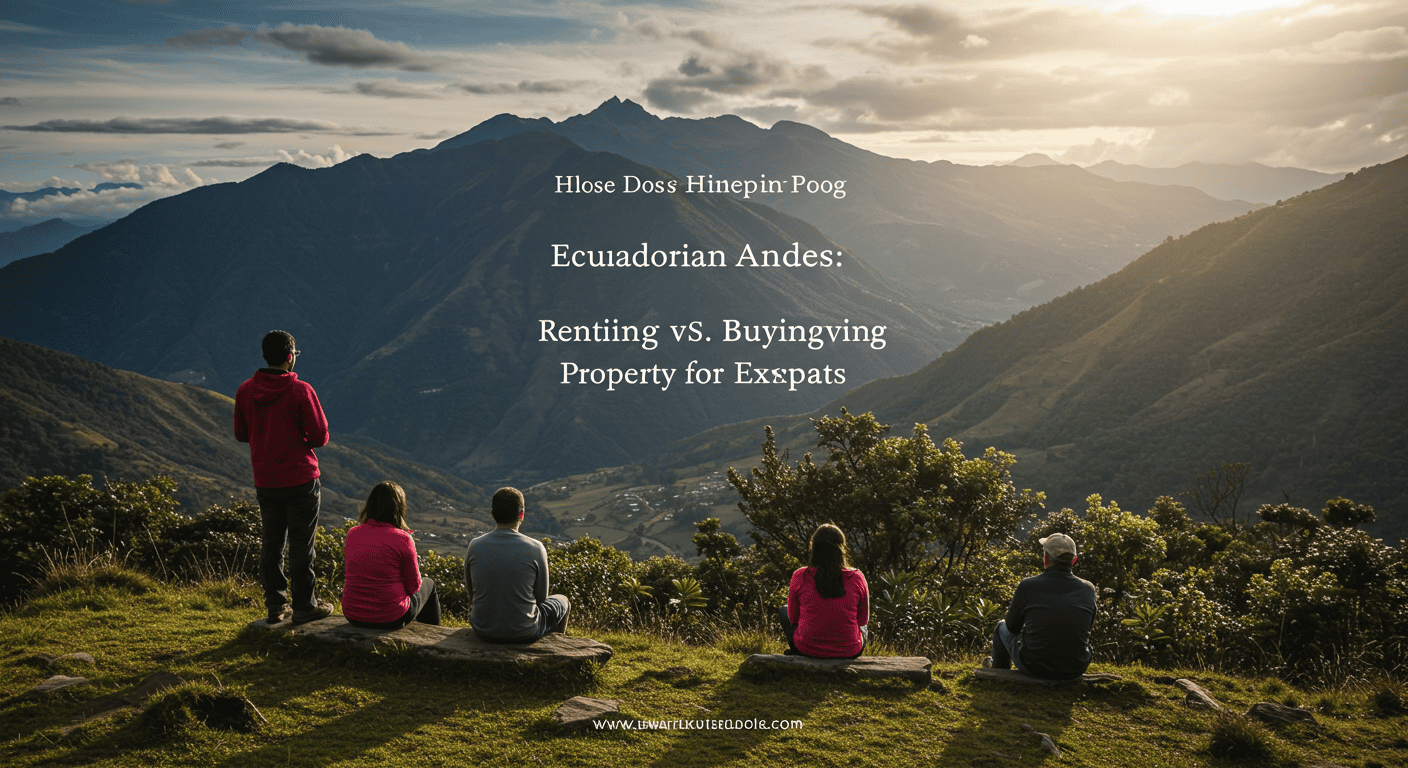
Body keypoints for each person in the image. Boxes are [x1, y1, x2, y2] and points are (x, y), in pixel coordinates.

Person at [234, 330, 333, 625]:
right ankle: (304, 606)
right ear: (290, 357)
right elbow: (319, 437)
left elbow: (241, 433)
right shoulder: (300, 391)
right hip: (301, 480)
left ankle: (276, 606)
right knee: (302, 545)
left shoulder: (245, 391)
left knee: (272, 543)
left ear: (267, 356)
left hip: (265, 479)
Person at [464, 487, 570, 643]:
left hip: (482, 628)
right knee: (563, 601)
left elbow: (471, 596)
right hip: (524, 630)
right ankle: (556, 649)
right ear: (521, 514)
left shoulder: (474, 545)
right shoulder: (536, 548)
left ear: (492, 514)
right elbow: (541, 598)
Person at [989, 532, 1097, 680]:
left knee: (1000, 627)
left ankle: (999, 673)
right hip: (1076, 667)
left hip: (1035, 666)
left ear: (1046, 558)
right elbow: (1087, 627)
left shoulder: (1028, 585)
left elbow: (1012, 627)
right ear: (1074, 560)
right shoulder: (1088, 589)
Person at [342, 481, 441, 630]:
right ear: (398, 508)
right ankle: (432, 635)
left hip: (352, 614)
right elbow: (414, 587)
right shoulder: (402, 538)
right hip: (390, 617)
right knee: (430, 585)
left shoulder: (353, 533)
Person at [778, 523, 869, 658]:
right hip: (849, 651)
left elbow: (793, 618)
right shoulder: (856, 577)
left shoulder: (800, 575)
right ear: (841, 548)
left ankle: (800, 647)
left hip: (806, 649)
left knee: (783, 611)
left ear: (814, 548)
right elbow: (862, 621)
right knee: (864, 628)